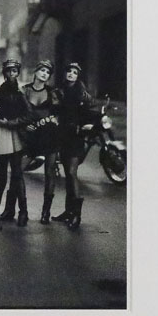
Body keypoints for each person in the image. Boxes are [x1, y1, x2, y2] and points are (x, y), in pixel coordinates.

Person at [0, 59, 30, 226]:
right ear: (4, 73)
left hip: (15, 133)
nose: (12, 74)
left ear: (18, 73)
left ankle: (22, 211)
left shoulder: (20, 92)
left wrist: (13, 122)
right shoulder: (0, 91)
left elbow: (29, 114)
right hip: (2, 133)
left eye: (14, 71)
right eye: (9, 71)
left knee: (17, 173)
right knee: (2, 174)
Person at [52, 62, 93, 230]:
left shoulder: (82, 93)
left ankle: (77, 214)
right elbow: (54, 111)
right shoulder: (59, 91)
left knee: (71, 172)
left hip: (76, 137)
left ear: (78, 75)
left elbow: (89, 113)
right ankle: (68, 211)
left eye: (74, 72)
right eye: (69, 71)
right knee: (67, 175)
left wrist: (86, 125)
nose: (71, 74)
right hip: (62, 136)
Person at [21, 60, 61, 224]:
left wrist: (53, 119)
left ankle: (46, 212)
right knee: (18, 170)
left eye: (47, 72)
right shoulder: (25, 90)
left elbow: (59, 113)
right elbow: (19, 112)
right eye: (42, 70)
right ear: (36, 72)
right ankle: (22, 210)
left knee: (49, 172)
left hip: (49, 136)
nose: (44, 74)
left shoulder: (53, 93)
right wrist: (24, 126)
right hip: (31, 138)